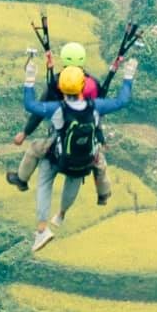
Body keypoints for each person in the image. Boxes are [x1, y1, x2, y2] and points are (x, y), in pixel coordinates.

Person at [19, 58, 136, 252]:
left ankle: (42, 229)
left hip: (59, 158)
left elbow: (30, 106)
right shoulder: (96, 106)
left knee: (44, 180)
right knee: (75, 178)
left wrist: (29, 78)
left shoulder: (57, 109)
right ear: (83, 86)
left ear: (62, 88)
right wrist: (128, 75)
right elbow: (122, 101)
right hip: (83, 160)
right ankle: (62, 214)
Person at [9, 39, 110, 202]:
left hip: (61, 135)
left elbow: (40, 111)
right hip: (88, 133)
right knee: (99, 162)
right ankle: (103, 194)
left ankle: (21, 179)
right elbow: (99, 114)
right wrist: (101, 138)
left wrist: (25, 133)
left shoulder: (58, 82)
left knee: (35, 148)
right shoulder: (94, 84)